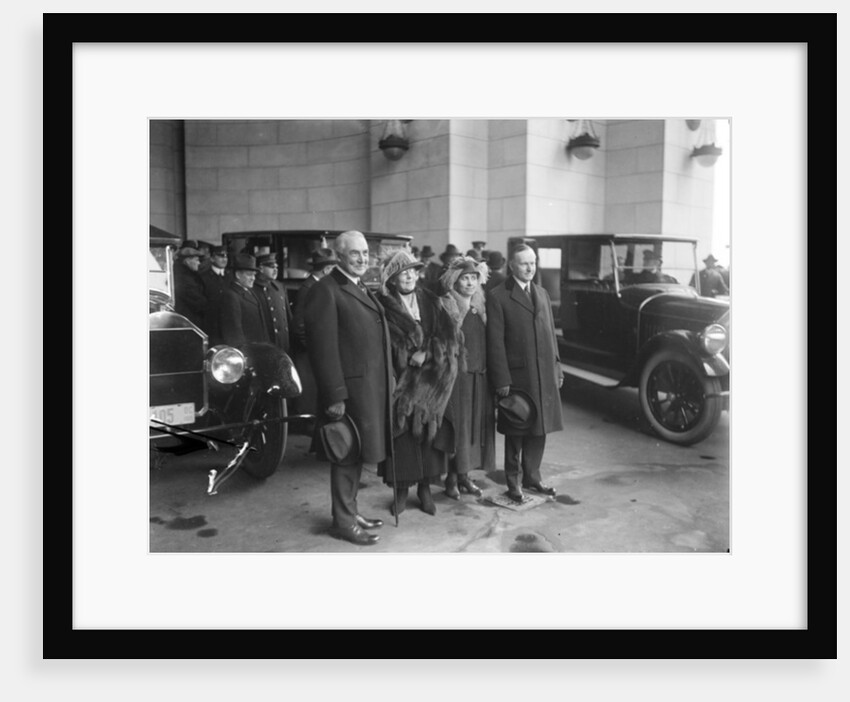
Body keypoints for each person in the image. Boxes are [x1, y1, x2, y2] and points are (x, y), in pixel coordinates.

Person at [303, 231, 392, 546]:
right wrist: (335, 396)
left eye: (365, 253)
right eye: (355, 254)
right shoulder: (326, 291)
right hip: (348, 392)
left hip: (367, 388)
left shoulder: (357, 286)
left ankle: (350, 512)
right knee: (345, 454)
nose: (362, 259)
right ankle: (343, 522)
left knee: (356, 455)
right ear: (338, 256)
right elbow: (322, 350)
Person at [375, 249, 462, 516]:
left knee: (427, 438)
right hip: (401, 382)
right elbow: (382, 343)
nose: (410, 276)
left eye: (413, 271)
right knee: (402, 440)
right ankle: (401, 492)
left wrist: (426, 352)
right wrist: (402, 356)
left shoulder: (431, 301)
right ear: (392, 279)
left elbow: (450, 338)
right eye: (403, 273)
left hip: (432, 382)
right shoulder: (383, 306)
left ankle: (425, 490)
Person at [486, 244, 564, 503]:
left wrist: (557, 366)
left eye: (533, 262)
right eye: (524, 263)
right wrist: (502, 380)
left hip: (543, 373)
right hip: (518, 377)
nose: (530, 268)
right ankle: (513, 482)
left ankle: (533, 477)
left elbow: (551, 334)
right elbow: (495, 343)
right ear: (511, 265)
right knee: (517, 429)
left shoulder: (541, 293)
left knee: (539, 428)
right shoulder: (498, 296)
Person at [439, 256, 496, 500]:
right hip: (458, 379)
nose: (470, 282)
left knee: (475, 429)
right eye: (465, 278)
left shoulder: (481, 307)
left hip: (479, 377)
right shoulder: (446, 306)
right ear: (455, 280)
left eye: (474, 278)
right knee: (458, 430)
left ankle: (465, 477)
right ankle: (451, 480)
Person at [291, 248, 338, 433]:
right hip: (308, 352)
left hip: (313, 349)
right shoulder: (309, 288)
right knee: (309, 394)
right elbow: (299, 324)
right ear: (326, 270)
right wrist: (314, 348)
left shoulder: (315, 286)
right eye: (333, 268)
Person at [218, 253, 267, 347]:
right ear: (238, 275)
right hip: (247, 352)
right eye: (249, 275)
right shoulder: (231, 296)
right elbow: (234, 332)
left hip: (257, 348)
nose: (253, 278)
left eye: (254, 275)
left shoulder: (250, 291)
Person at [254, 253, 292, 353]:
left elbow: (288, 317)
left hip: (283, 344)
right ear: (261, 268)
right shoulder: (252, 289)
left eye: (276, 267)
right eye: (271, 267)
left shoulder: (280, 287)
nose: (275, 270)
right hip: (264, 344)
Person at [199, 245, 231, 344]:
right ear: (212, 258)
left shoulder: (231, 276)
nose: (224, 259)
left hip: (229, 322)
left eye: (226, 256)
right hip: (212, 324)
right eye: (221, 256)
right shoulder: (203, 277)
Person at [173, 245, 208, 329]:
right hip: (189, 321)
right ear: (188, 261)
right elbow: (198, 302)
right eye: (196, 260)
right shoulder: (185, 279)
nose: (199, 263)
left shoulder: (187, 275)